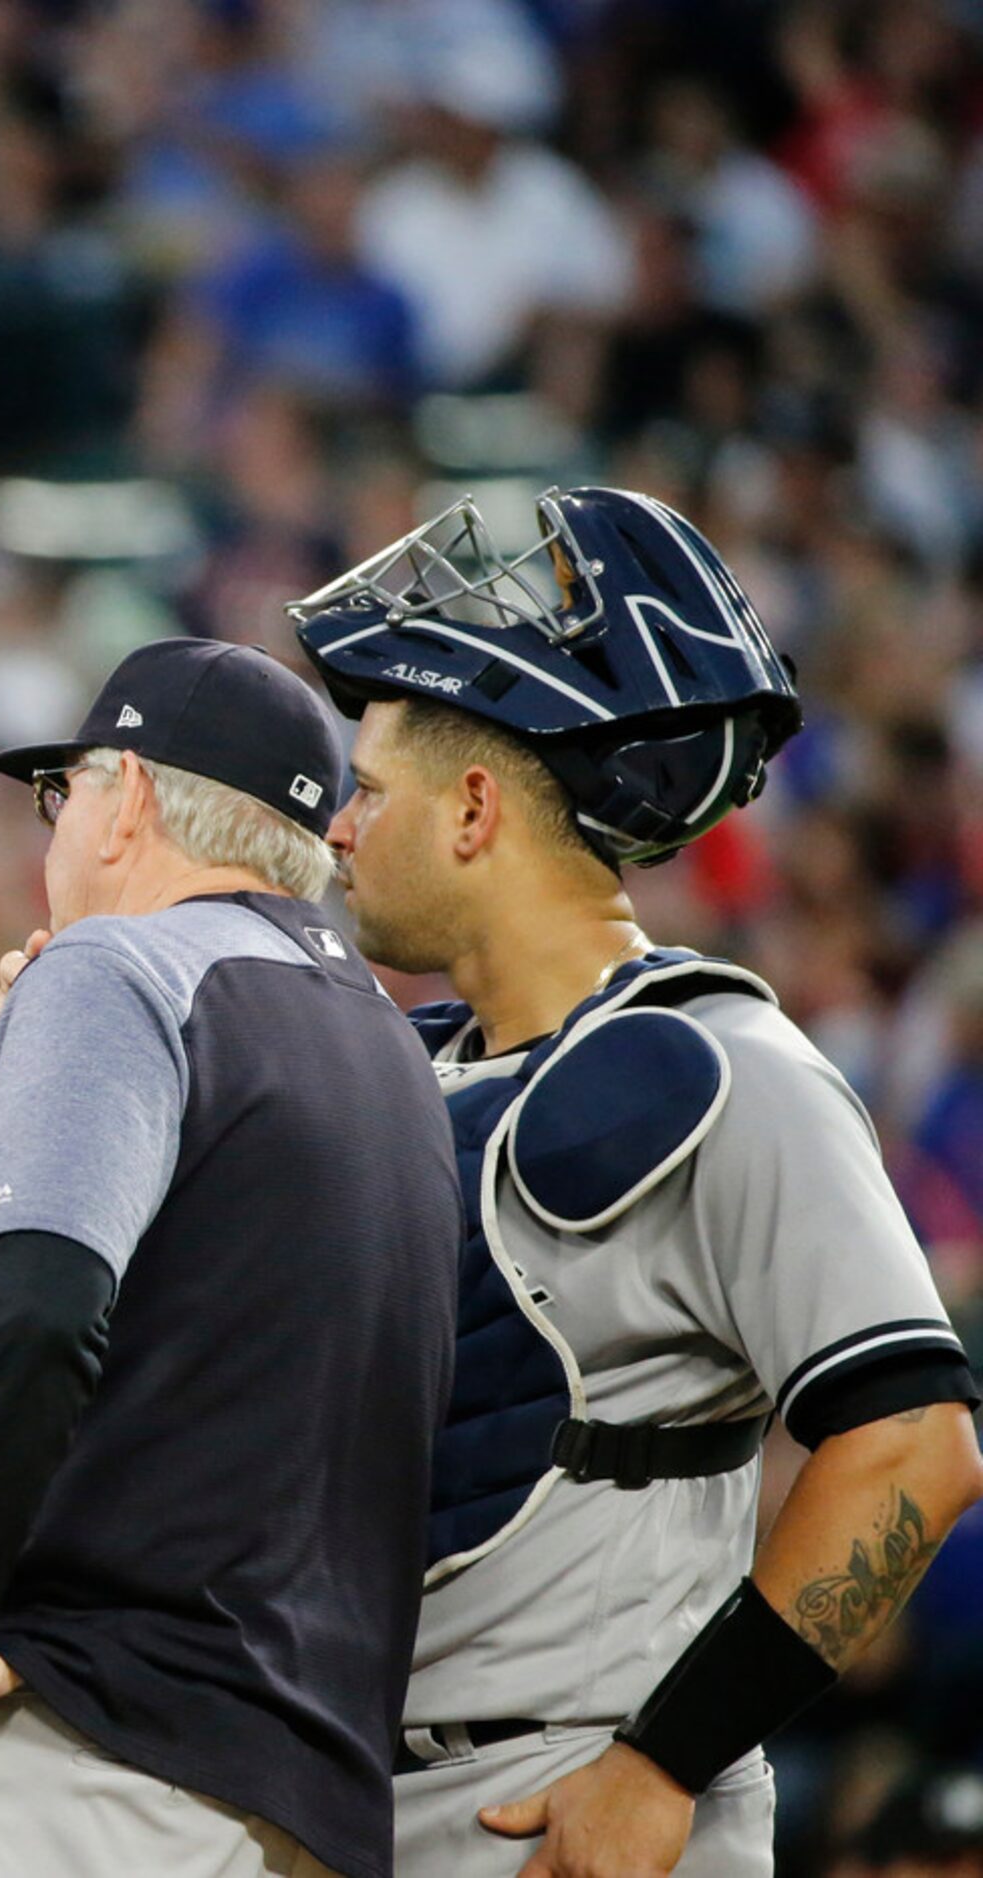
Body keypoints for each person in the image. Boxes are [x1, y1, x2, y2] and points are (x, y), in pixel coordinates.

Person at [290, 485, 983, 1878]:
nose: (340, 830)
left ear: (474, 806)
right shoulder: (392, 1066)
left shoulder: (727, 1070)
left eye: (369, 790)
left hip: (567, 1803)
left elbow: (912, 1446)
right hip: (346, 1790)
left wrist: (664, 1761)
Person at [0, 639, 462, 1878]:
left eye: (62, 792)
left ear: (126, 795)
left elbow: (30, 1312)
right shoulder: (385, 1044)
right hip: (303, 1783)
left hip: (90, 1760)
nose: (55, 831)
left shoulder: (114, 967)